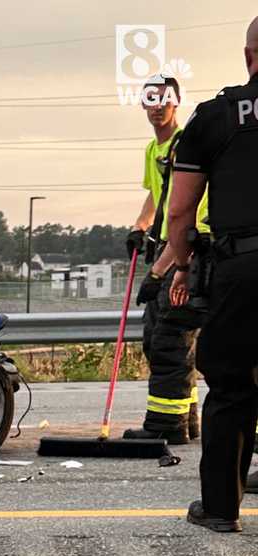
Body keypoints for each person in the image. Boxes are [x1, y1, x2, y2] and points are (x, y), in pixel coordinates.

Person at [167, 16, 258, 532]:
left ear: (249, 56)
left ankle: (221, 510)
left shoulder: (216, 117)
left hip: (242, 269)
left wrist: (183, 267)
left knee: (230, 387)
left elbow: (180, 212)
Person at [122, 75, 210, 445]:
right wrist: (139, 227)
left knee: (169, 338)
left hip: (187, 247)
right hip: (166, 246)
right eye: (151, 100)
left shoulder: (183, 146)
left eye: (164, 100)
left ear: (177, 102)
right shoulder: (152, 151)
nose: (157, 107)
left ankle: (166, 426)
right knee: (163, 339)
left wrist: (158, 273)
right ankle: (186, 418)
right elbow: (156, 197)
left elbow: (183, 213)